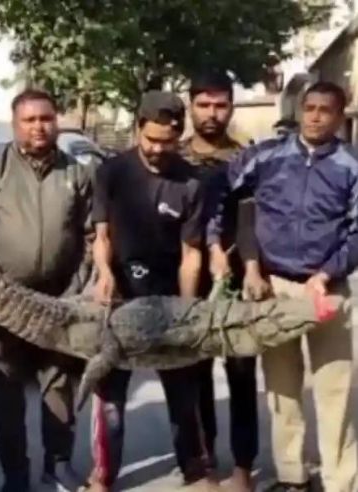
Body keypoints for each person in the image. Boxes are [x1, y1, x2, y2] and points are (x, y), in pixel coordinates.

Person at [205, 81, 357, 492]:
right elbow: (225, 196)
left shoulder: (351, 165)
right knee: (281, 388)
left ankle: (341, 480)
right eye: (309, 107)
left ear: (340, 117)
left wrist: (327, 274)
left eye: (325, 110)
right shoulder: (265, 156)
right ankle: (292, 476)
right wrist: (218, 246)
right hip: (274, 288)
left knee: (334, 390)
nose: (315, 116)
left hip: (328, 290)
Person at [88, 91, 219, 492]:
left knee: (183, 394)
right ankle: (103, 476)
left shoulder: (191, 183)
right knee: (109, 398)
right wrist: (103, 272)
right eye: (151, 140)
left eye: (168, 142)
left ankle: (194, 471)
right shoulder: (112, 172)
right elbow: (101, 234)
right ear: (137, 129)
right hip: (119, 299)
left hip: (166, 298)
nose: (159, 149)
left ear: (179, 135)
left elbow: (191, 253)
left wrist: (184, 307)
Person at [0, 88, 93, 492]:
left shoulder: (76, 172)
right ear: (15, 124)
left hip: (60, 302)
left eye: (46, 118)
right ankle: (15, 475)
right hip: (4, 302)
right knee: (7, 390)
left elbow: (91, 237)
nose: (39, 127)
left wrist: (76, 291)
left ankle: (57, 464)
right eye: (30, 120)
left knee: (59, 385)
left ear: (56, 121)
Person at [180, 72, 259, 492]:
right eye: (204, 105)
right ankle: (205, 466)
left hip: (236, 284)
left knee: (242, 376)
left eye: (221, 105)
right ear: (191, 105)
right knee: (194, 377)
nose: (212, 114)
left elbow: (253, 218)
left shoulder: (247, 158)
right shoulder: (174, 158)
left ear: (231, 106)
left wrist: (248, 267)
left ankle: (243, 469)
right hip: (188, 287)